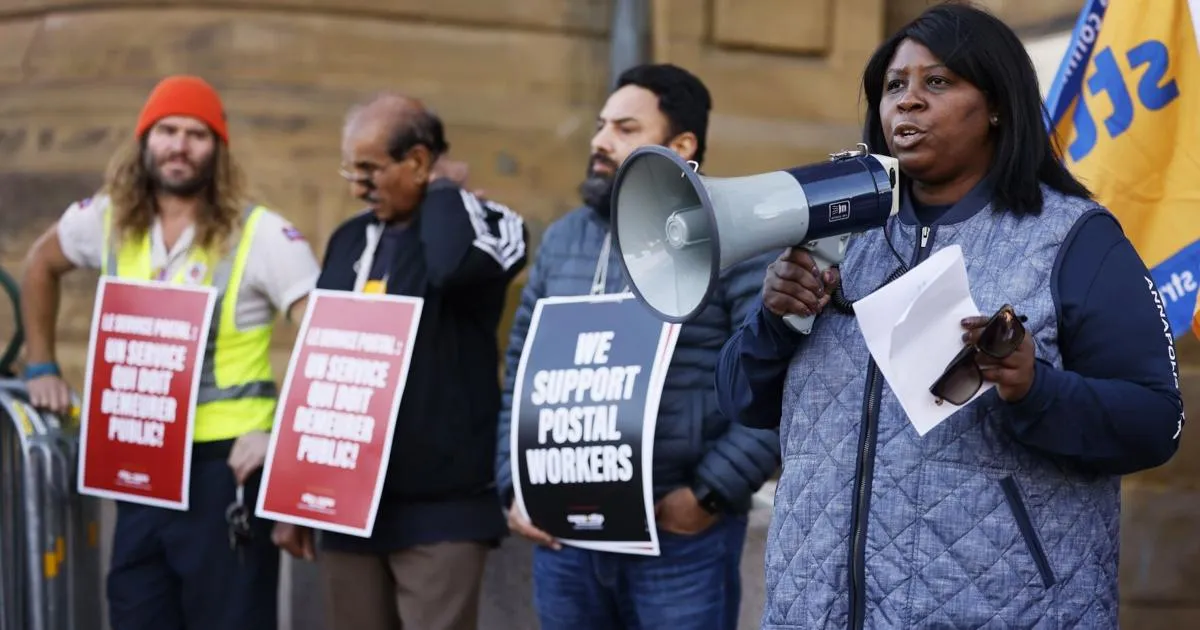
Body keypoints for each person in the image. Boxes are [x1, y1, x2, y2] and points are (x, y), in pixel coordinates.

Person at [714, 4, 1186, 629]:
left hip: (1005, 612)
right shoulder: (838, 235)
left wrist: (1034, 388)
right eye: (893, 86)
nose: (907, 101)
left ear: (996, 106)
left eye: (937, 81)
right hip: (814, 612)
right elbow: (740, 401)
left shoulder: (1074, 239)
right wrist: (775, 320)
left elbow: (1156, 423)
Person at [19, 75, 320, 630]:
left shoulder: (263, 234)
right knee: (136, 614)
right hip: (138, 465)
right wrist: (41, 365)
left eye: (196, 134)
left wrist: (283, 437)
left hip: (225, 471)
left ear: (218, 149)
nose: (180, 146)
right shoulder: (107, 218)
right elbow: (40, 263)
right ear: (144, 141)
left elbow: (328, 338)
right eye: (167, 131)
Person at [495, 63, 781, 630]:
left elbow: (772, 384)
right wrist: (514, 486)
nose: (600, 141)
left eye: (625, 129)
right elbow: (520, 370)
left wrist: (708, 495)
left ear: (681, 145)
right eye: (601, 125)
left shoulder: (736, 238)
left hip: (679, 539)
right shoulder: (564, 239)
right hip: (564, 539)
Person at [271, 93, 528, 630]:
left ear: (417, 161)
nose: (356, 187)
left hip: (441, 511)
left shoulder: (481, 223)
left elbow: (450, 269)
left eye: (369, 170)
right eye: (350, 169)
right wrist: (295, 496)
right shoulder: (349, 239)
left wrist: (444, 192)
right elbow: (323, 365)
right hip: (349, 508)